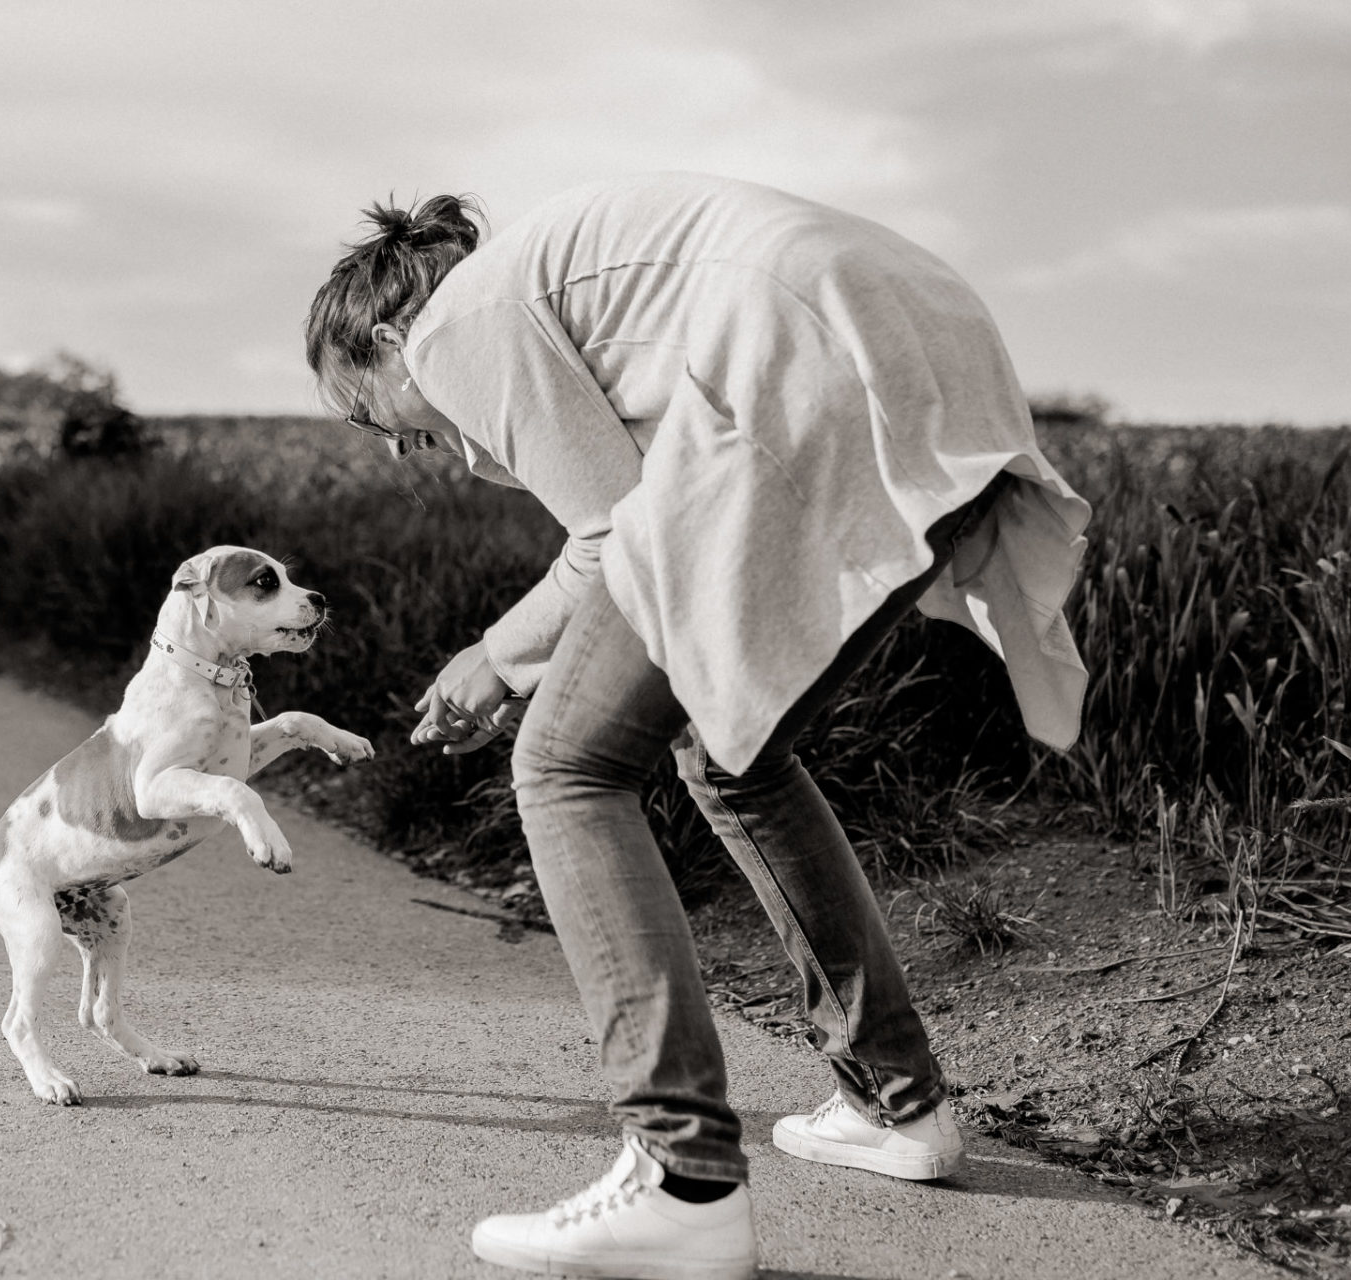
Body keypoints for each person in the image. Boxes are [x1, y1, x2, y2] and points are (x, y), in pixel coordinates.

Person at [304, 172, 1090, 1280]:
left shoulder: (460, 323)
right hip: (931, 366)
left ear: (389, 336)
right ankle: (898, 1105)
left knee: (567, 766)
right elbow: (646, 521)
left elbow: (614, 534)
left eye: (363, 409)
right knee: (728, 749)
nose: (387, 444)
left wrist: (496, 659)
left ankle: (682, 1178)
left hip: (815, 363)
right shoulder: (543, 296)